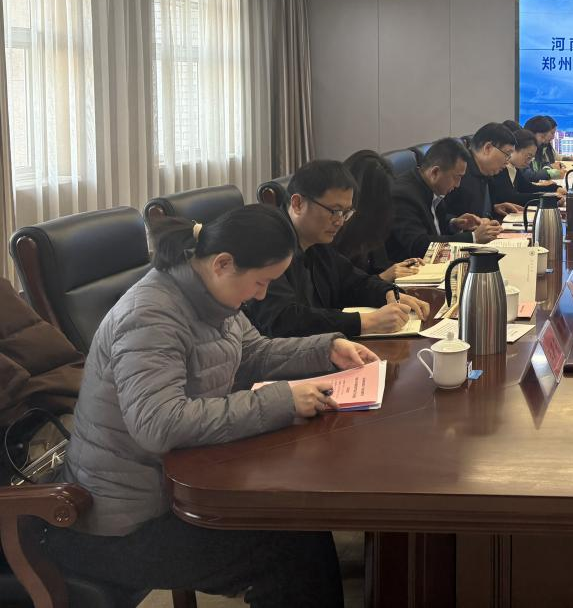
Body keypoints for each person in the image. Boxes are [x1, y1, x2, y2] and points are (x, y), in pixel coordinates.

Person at [43, 206, 372, 607]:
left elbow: (253, 352)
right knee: (289, 551)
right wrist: (282, 400)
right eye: (261, 282)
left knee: (298, 522)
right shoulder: (150, 316)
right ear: (222, 263)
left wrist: (326, 348)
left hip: (172, 488)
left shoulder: (211, 296)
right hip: (117, 525)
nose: (262, 294)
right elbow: (159, 424)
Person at [246, 160, 428, 338]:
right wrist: (365, 322)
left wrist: (387, 293)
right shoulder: (267, 244)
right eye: (334, 211)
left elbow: (353, 282)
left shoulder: (316, 241)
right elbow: (282, 320)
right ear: (298, 204)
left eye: (346, 213)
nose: (340, 221)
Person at [387, 137, 501, 261]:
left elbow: (432, 224)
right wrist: (473, 237)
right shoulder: (403, 196)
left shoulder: (429, 185)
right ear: (435, 172)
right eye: (457, 177)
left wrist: (454, 224)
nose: (458, 184)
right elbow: (419, 245)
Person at [336, 149, 425, 282]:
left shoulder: (371, 224)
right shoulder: (334, 229)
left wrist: (403, 267)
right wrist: (383, 277)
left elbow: (378, 265)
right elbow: (344, 288)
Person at [443, 122, 521, 220]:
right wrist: (458, 223)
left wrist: (494, 209)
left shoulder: (487, 173)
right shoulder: (459, 173)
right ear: (487, 148)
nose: (507, 161)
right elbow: (439, 218)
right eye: (507, 154)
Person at [491, 128, 548, 208]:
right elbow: (511, 198)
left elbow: (527, 187)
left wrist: (554, 189)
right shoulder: (500, 169)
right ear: (514, 150)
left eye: (531, 158)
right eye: (528, 157)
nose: (529, 162)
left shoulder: (514, 169)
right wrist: (549, 199)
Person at [523, 115, 562, 180]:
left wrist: (549, 167)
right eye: (542, 137)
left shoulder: (539, 148)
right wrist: (551, 172)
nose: (544, 140)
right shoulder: (524, 149)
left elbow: (543, 163)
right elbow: (529, 175)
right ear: (531, 133)